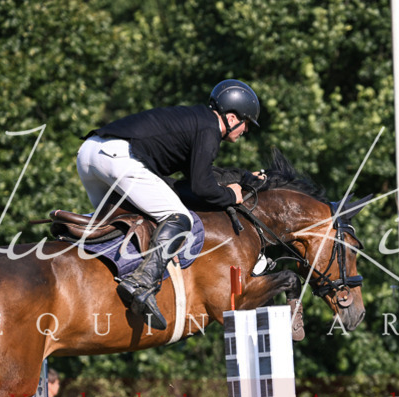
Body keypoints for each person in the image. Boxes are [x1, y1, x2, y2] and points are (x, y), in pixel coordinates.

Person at [76, 79, 261, 331]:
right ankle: (142, 283)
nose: (246, 130)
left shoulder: (196, 120)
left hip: (89, 154)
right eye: (246, 123)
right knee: (178, 217)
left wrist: (244, 178)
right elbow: (201, 188)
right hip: (117, 157)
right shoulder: (209, 129)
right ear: (231, 118)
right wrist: (231, 196)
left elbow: (196, 180)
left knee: (118, 223)